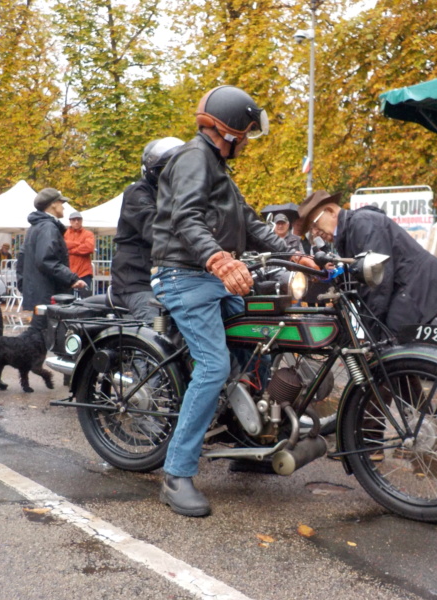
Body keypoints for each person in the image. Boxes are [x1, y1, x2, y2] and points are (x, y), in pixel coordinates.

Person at [149, 85, 316, 517]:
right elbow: (184, 217)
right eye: (244, 133)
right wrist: (218, 258)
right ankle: (176, 473)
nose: (246, 141)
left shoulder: (218, 168)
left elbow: (250, 222)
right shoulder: (192, 159)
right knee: (214, 364)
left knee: (263, 334)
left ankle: (246, 438)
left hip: (210, 278)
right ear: (229, 130)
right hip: (184, 275)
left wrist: (294, 253)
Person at [294, 190, 437, 334]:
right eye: (311, 231)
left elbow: (377, 278)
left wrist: (371, 326)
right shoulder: (352, 229)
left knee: (393, 354)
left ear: (330, 211)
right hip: (412, 289)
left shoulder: (361, 224)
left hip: (418, 290)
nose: (316, 233)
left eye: (315, 225)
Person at [111, 137, 184, 321]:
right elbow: (156, 231)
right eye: (166, 170)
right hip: (137, 282)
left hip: (170, 281)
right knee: (158, 334)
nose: (172, 175)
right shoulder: (137, 193)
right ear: (152, 171)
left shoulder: (180, 197)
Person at [20, 189, 87, 330]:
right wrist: (72, 278)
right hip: (49, 294)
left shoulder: (35, 227)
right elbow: (46, 260)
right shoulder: (48, 227)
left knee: (38, 338)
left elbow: (21, 260)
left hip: (39, 293)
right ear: (53, 204)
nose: (63, 207)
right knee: (46, 338)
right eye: (62, 203)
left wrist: (27, 288)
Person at [64, 211, 95, 292]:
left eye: (79, 219)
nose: (76, 221)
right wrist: (79, 244)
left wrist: (71, 250)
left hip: (84, 272)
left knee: (86, 300)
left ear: (82, 221)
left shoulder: (88, 234)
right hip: (68, 273)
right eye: (74, 220)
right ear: (70, 221)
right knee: (67, 300)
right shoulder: (64, 234)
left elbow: (89, 248)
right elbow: (63, 246)